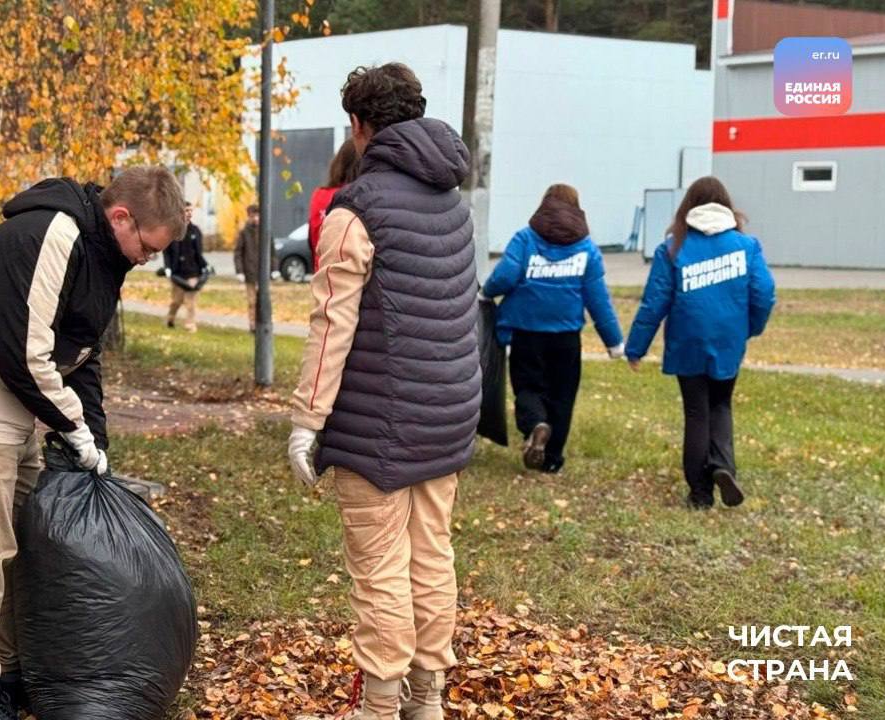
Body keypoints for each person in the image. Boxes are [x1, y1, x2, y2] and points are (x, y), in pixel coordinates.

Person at [0, 166, 186, 720]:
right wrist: (72, 427)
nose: (147, 258)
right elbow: (23, 355)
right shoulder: (52, 235)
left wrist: (93, 439)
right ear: (120, 216)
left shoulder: (105, 252)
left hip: (9, 403)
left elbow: (81, 349)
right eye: (148, 247)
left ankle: (8, 668)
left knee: (30, 533)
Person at [286, 63, 480, 720]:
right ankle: (427, 702)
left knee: (381, 572)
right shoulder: (452, 202)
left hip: (379, 426)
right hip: (449, 416)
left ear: (360, 127)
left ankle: (379, 707)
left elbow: (330, 323)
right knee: (432, 557)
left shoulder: (356, 209)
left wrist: (306, 422)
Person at [625, 176, 776, 510]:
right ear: (726, 205)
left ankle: (700, 493)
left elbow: (655, 302)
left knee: (696, 412)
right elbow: (764, 294)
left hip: (687, 343)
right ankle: (723, 466)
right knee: (721, 404)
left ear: (688, 207)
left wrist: (636, 347)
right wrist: (750, 328)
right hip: (728, 340)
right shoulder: (746, 246)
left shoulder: (673, 248)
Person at [480, 184, 624, 473]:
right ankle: (552, 458)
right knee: (562, 395)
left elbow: (506, 274)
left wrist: (487, 293)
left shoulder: (525, 238)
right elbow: (598, 301)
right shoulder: (586, 249)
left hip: (526, 333)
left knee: (528, 387)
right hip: (566, 337)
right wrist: (614, 342)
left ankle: (535, 424)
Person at [307, 140, 361, 271]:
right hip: (351, 279)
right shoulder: (357, 196)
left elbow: (312, 238)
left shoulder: (319, 196)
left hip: (322, 275)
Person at [164, 203, 209, 332]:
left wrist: (205, 266)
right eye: (186, 210)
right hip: (177, 272)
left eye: (190, 210)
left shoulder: (195, 231)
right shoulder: (173, 232)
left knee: (191, 301)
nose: (189, 213)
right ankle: (170, 318)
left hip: (193, 271)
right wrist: (167, 267)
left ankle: (190, 325)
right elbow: (166, 252)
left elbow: (199, 253)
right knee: (176, 301)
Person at [232, 203, 268, 333]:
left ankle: (263, 323)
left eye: (258, 216)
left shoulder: (265, 230)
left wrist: (274, 269)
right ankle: (252, 325)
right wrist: (240, 271)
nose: (256, 219)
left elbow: (272, 251)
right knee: (252, 301)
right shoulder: (244, 232)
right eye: (253, 216)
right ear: (249, 216)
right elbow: (238, 253)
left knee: (263, 300)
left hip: (263, 273)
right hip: (250, 272)